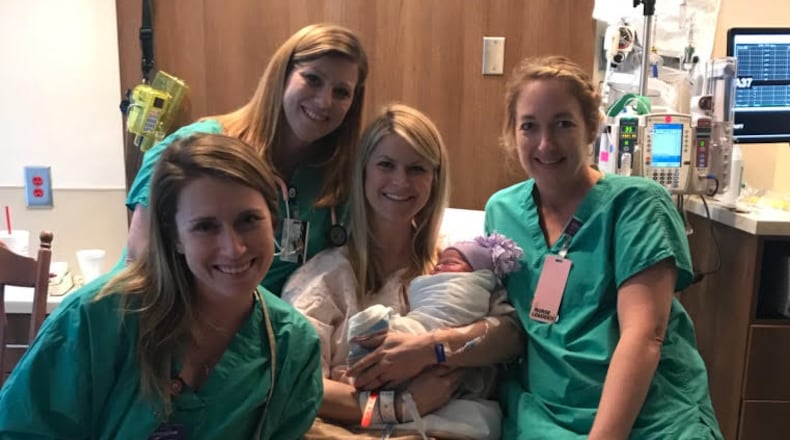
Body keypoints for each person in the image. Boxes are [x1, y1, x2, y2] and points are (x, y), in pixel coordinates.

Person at [0, 134, 323, 439]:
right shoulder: (95, 320)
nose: (234, 248)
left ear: (274, 219)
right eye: (205, 227)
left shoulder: (291, 347)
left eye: (249, 220)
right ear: (175, 237)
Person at [485, 55, 723, 439]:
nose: (545, 144)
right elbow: (504, 320)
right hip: (547, 414)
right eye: (529, 126)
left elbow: (644, 335)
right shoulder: (503, 211)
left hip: (652, 415)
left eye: (563, 123)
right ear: (512, 133)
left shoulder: (638, 204)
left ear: (592, 127)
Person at [282, 104, 523, 439]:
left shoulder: (458, 262)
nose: (400, 181)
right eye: (386, 165)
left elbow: (509, 337)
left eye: (417, 168)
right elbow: (301, 389)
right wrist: (404, 403)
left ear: (435, 179)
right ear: (362, 171)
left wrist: (429, 349)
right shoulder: (324, 280)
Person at [125, 23, 369, 295]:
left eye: (342, 92)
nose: (324, 101)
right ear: (282, 76)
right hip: (175, 323)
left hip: (275, 329)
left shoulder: (335, 177)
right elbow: (141, 264)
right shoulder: (190, 152)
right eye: (312, 79)